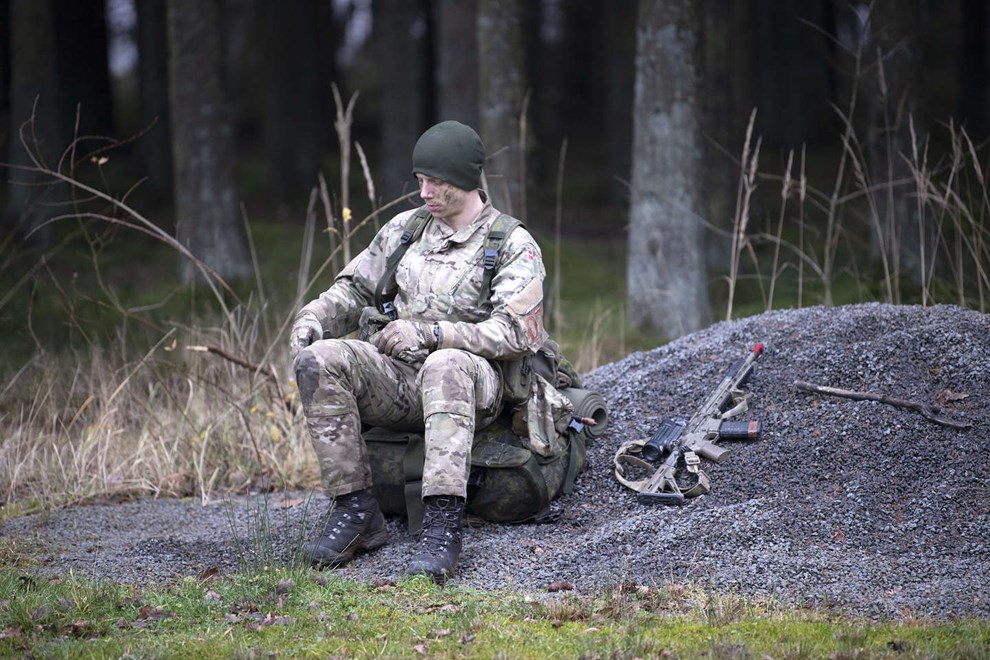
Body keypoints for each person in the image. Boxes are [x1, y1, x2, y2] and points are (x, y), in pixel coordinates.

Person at [289, 120, 549, 582]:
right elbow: (353, 290)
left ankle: (442, 525)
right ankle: (356, 513)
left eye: (436, 182)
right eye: (420, 180)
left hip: (474, 384)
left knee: (445, 365)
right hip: (401, 378)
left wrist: (434, 336)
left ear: (467, 181)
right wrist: (313, 317)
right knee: (320, 359)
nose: (424, 191)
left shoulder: (510, 243)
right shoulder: (406, 230)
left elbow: (517, 333)